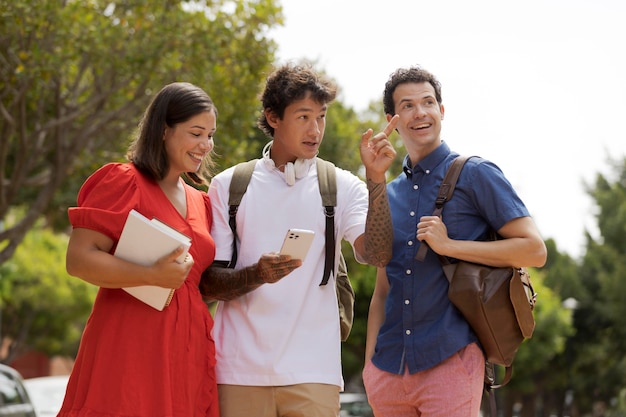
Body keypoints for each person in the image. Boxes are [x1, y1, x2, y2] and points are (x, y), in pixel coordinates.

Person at [199, 62, 397, 417]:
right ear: (273, 117)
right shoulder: (229, 185)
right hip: (238, 371)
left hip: (314, 372)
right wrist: (256, 274)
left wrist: (376, 179)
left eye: (321, 117)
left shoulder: (342, 185)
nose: (315, 129)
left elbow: (379, 254)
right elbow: (208, 284)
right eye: (303, 117)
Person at [363, 66, 548, 417]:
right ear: (392, 119)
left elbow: (534, 249)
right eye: (407, 106)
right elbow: (383, 287)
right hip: (387, 369)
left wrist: (450, 247)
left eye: (428, 102)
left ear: (442, 111)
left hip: (450, 360)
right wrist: (371, 364)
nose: (420, 113)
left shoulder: (476, 173)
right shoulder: (388, 194)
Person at [60, 82, 227, 416]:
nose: (205, 145)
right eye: (196, 133)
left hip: (188, 344)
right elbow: (78, 260)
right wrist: (151, 275)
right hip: (131, 341)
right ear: (164, 130)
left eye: (210, 135)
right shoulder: (124, 182)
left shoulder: (203, 201)